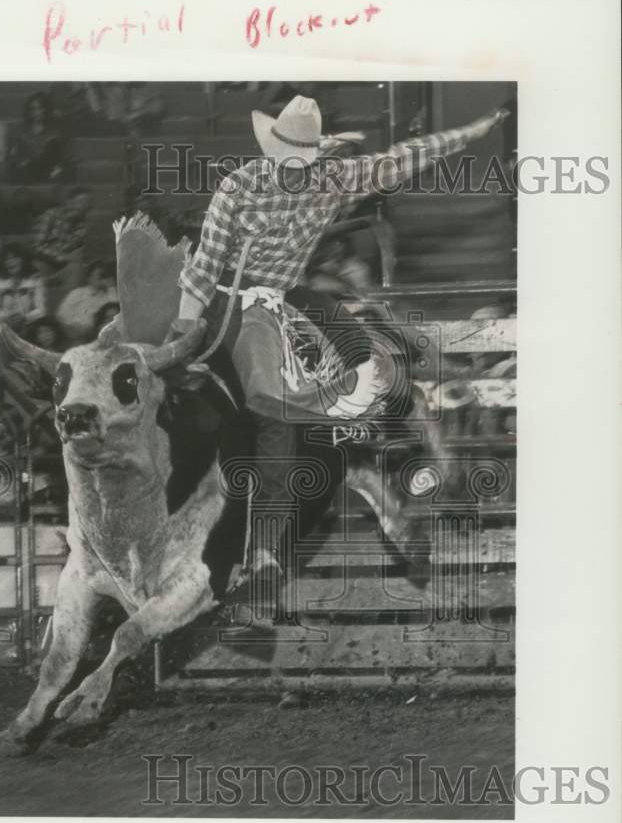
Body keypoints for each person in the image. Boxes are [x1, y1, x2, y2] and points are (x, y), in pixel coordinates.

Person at [175, 94, 508, 589]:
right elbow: (203, 269)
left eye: (304, 162)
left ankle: (365, 426)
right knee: (270, 411)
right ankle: (264, 549)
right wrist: (184, 331)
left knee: (360, 338)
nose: (295, 172)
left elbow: (402, 159)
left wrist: (470, 133)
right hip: (235, 298)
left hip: (287, 294)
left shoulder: (334, 178)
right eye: (288, 161)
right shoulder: (238, 188)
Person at [31, 186, 92, 293]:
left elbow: (77, 253)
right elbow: (37, 246)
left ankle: (69, 304)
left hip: (64, 267)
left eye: (88, 203)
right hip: (44, 263)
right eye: (81, 201)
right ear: (69, 202)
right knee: (36, 269)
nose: (84, 206)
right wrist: (62, 257)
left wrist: (77, 257)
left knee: (78, 269)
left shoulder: (82, 226)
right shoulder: (51, 215)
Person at [0, 243, 47, 344]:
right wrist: (8, 317)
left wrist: (25, 317)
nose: (11, 262)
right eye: (7, 259)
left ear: (24, 259)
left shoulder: (35, 278)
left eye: (16, 258)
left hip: (29, 322)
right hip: (4, 322)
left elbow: (42, 310)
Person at [8, 90, 69, 183]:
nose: (36, 112)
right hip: (28, 170)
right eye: (33, 109)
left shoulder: (55, 130)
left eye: (40, 108)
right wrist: (21, 162)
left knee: (52, 145)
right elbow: (14, 154)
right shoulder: (20, 130)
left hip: (49, 171)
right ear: (28, 111)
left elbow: (61, 156)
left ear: (46, 109)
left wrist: (58, 168)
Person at [56, 260, 119, 345]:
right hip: (69, 331)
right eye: (98, 275)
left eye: (103, 275)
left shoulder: (108, 297)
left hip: (93, 334)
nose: (100, 279)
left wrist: (111, 287)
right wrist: (71, 328)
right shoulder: (77, 293)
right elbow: (61, 314)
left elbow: (115, 312)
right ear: (89, 277)